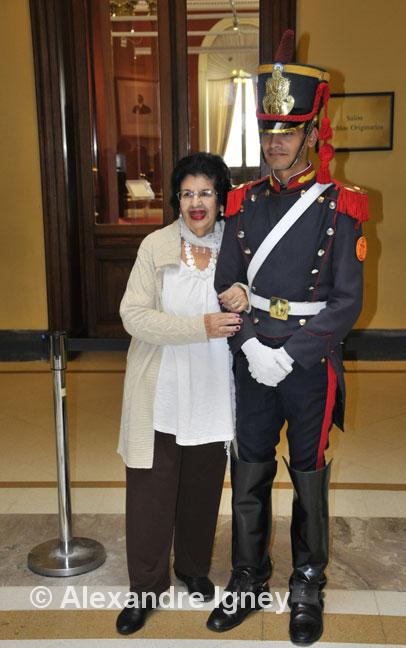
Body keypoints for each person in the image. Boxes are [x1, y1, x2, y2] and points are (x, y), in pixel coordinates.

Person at [207, 30, 369, 645]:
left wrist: (290, 352)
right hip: (252, 360)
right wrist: (249, 344)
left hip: (307, 363)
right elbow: (226, 282)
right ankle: (248, 576)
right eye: (268, 131)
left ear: (311, 132)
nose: (275, 143)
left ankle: (307, 580)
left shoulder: (340, 206)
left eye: (288, 131)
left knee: (308, 473)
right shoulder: (241, 202)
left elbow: (347, 302)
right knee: (248, 470)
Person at [116, 152, 249, 635]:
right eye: (188, 193)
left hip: (214, 388)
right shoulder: (155, 245)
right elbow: (133, 315)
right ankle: (145, 587)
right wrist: (200, 326)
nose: (197, 203)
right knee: (150, 494)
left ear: (221, 198)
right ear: (177, 199)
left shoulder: (238, 244)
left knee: (202, 488)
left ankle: (192, 568)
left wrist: (246, 294)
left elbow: (262, 296)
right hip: (163, 388)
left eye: (206, 193)